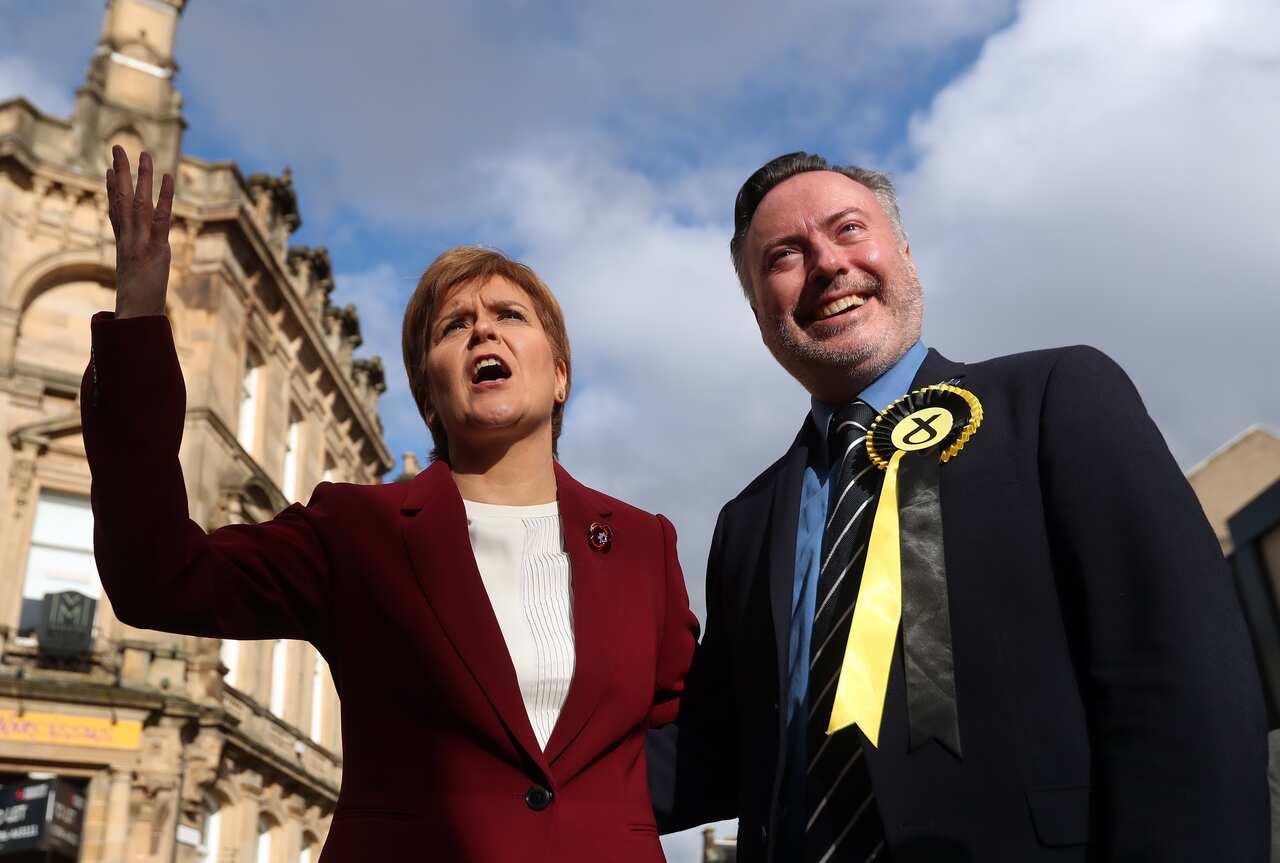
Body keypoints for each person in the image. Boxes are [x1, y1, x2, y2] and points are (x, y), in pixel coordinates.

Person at [647, 151, 1268, 861]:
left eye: (848, 229)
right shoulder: (745, 523)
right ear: (759, 309)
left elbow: (1182, 683)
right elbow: (716, 750)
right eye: (784, 255)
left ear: (904, 253)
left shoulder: (1054, 399)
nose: (825, 263)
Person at [87, 147, 698, 861]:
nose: (484, 331)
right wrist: (137, 319)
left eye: (509, 314)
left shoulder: (642, 544)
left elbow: (689, 739)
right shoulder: (356, 531)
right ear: (430, 393)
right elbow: (157, 578)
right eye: (453, 326)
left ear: (559, 374)